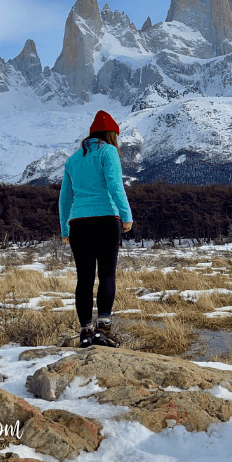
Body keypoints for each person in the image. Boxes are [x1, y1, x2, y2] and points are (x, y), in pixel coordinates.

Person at [59, 110, 133, 348]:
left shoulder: (73, 159)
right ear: (111, 134)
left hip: (78, 224)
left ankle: (85, 333)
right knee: (107, 275)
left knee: (84, 279)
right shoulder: (108, 151)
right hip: (106, 220)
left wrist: (65, 229)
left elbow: (65, 199)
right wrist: (126, 215)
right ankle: (103, 330)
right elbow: (115, 185)